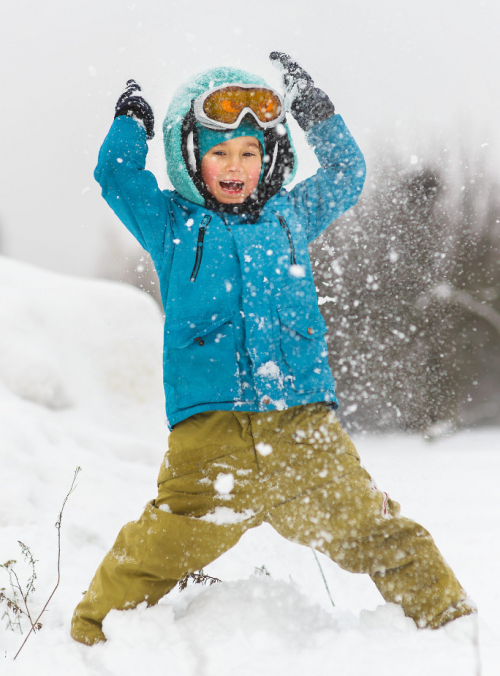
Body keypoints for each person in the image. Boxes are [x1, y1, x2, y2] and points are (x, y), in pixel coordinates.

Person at [71, 53, 475, 645]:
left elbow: (346, 173)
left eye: (250, 152)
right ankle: (84, 643)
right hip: (210, 443)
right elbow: (117, 178)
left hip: (303, 432)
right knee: (153, 551)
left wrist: (318, 113)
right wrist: (132, 121)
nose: (237, 166)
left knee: (380, 531)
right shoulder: (172, 225)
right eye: (219, 152)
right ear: (191, 159)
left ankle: (456, 633)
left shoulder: (290, 216)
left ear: (271, 157)